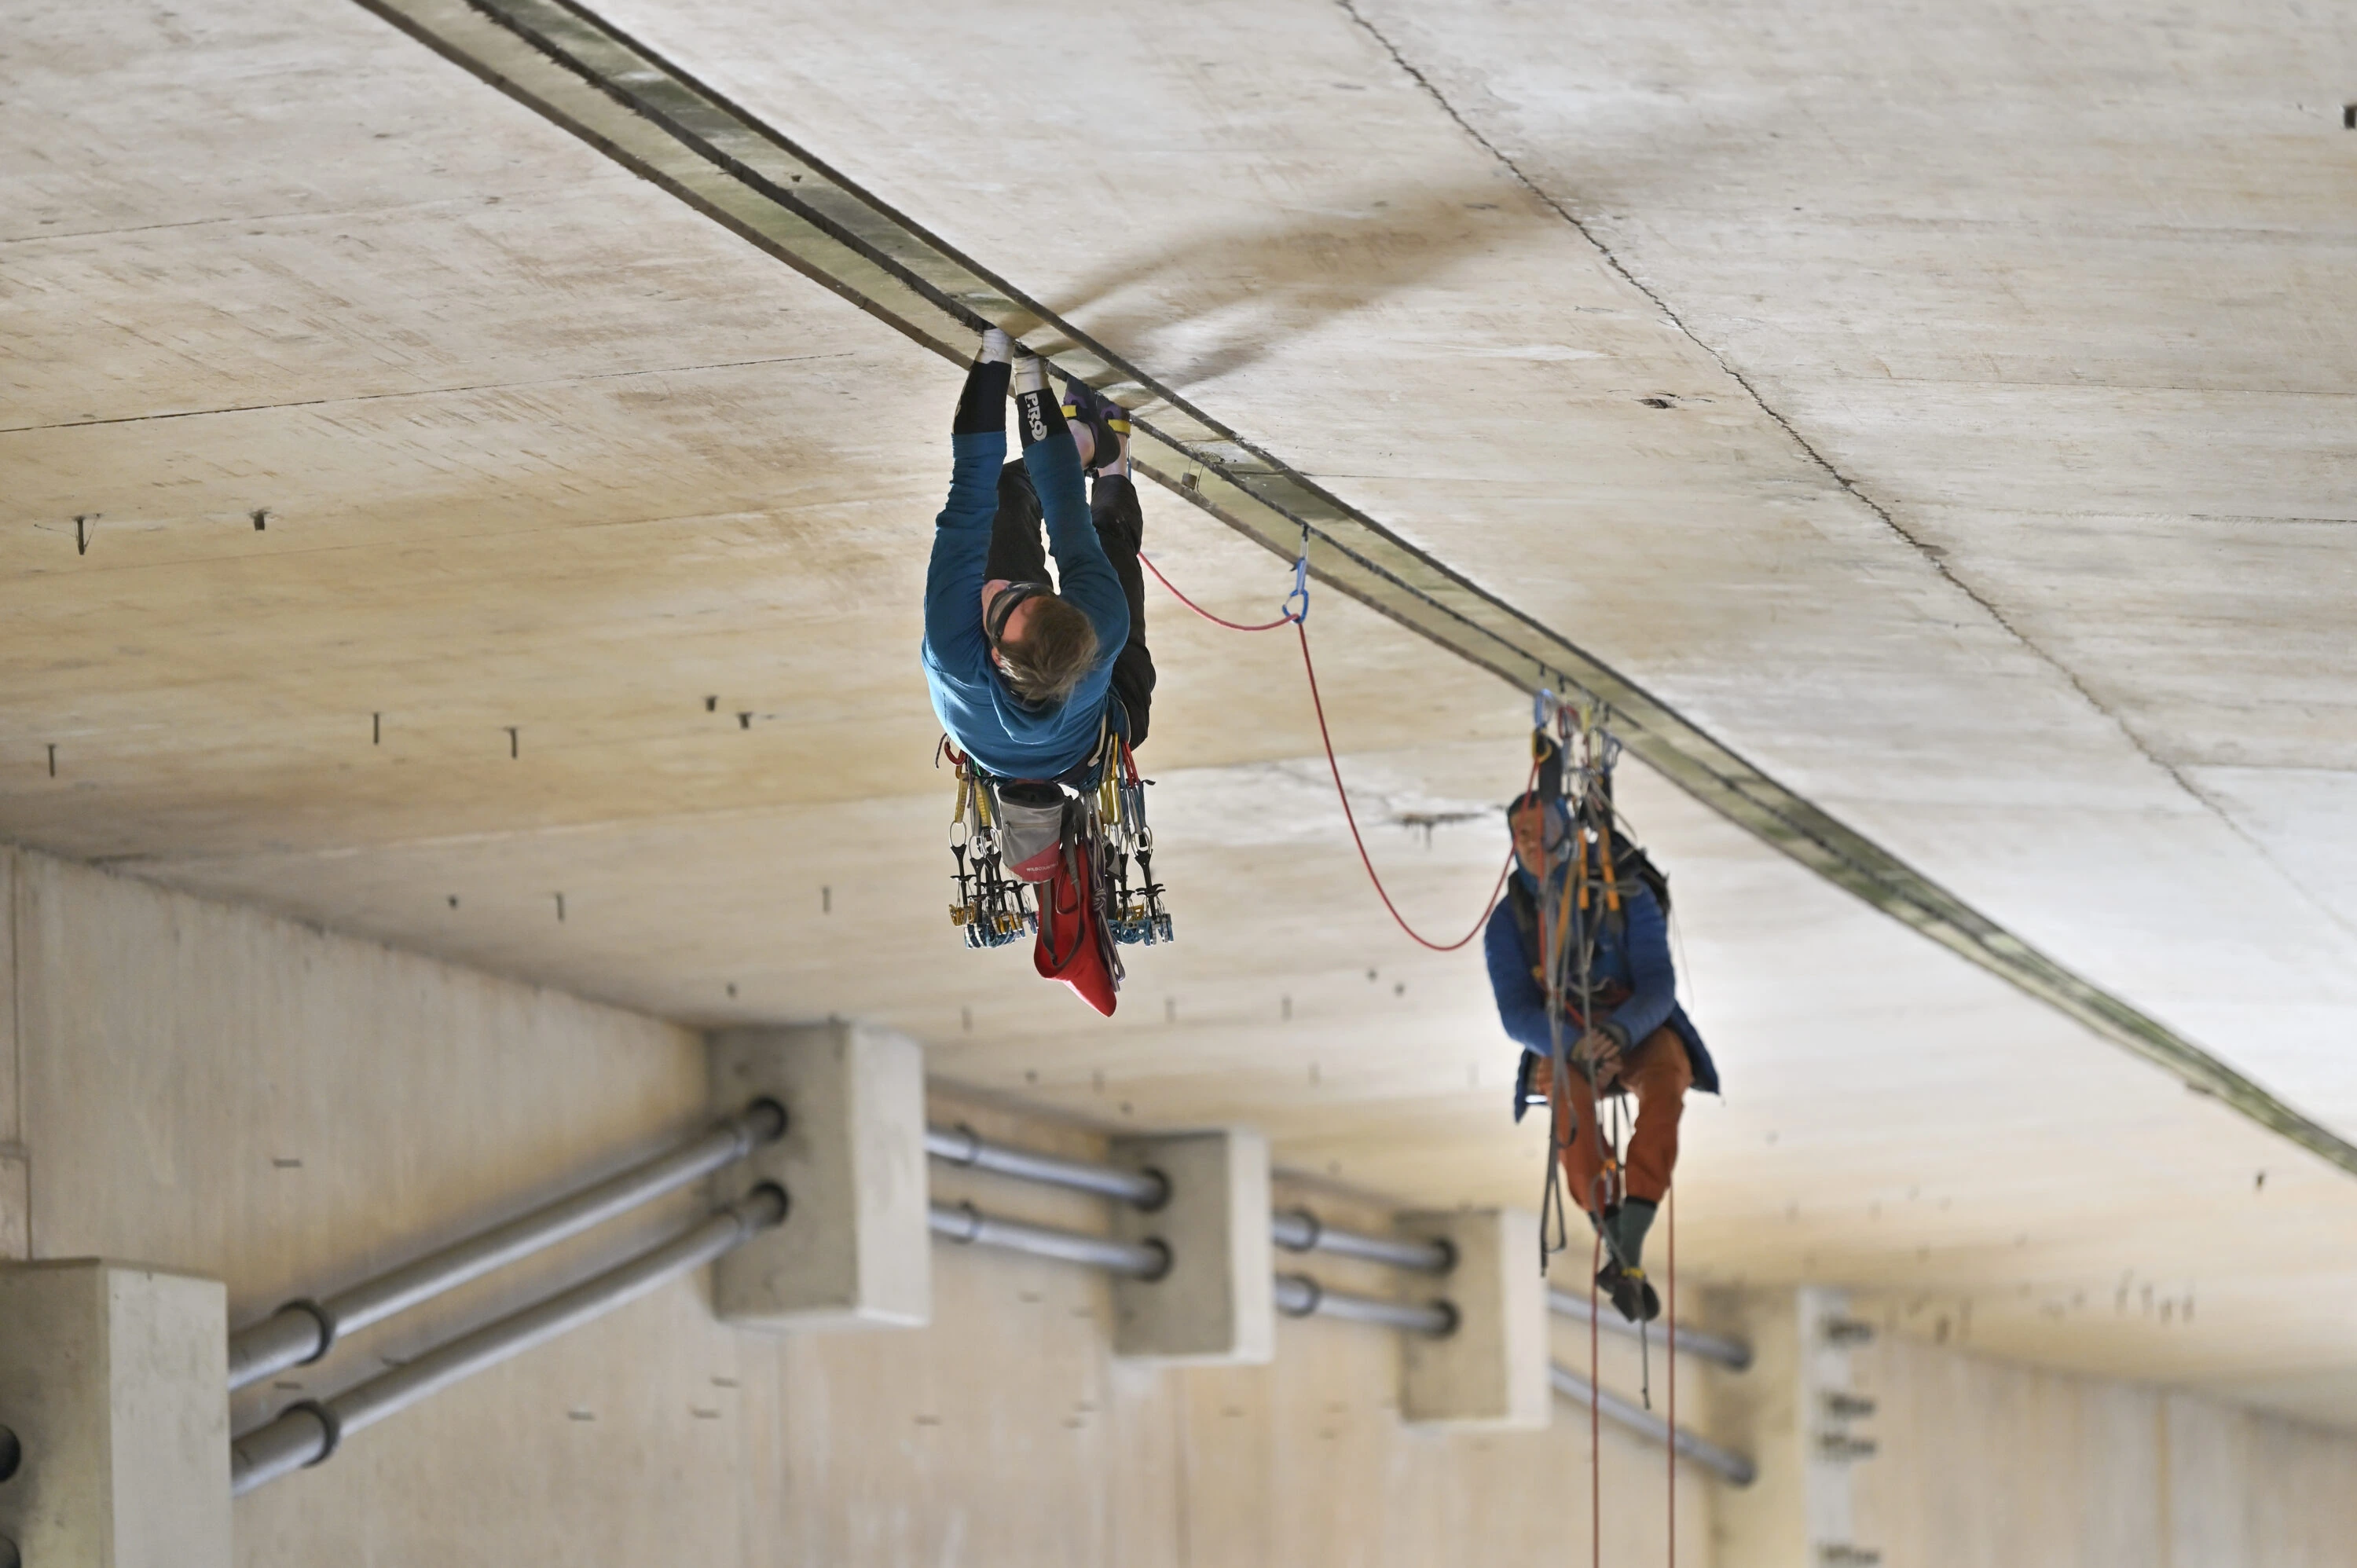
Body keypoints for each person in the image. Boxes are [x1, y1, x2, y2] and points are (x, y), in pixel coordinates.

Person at [1483, 774, 1718, 1321]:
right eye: (1520, 836)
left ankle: (1629, 1234)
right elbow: (1516, 1014)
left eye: (1540, 834)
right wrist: (1574, 1045)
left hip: (1633, 1028)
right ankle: (1616, 1239)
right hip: (1566, 1038)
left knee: (1666, 1080)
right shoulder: (1507, 923)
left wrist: (1617, 1035)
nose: (1530, 848)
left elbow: (1659, 985)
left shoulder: (1626, 896)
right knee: (1566, 1098)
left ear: (1568, 836)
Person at [922, 328, 1156, 782]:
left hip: (994, 737)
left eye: (1008, 604)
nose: (1004, 586)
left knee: (1001, 491)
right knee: (1107, 539)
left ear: (994, 654)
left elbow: (969, 483)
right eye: (1032, 595)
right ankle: (1110, 463)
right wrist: (1034, 373)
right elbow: (1068, 510)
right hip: (1091, 742)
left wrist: (998, 352)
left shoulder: (954, 641)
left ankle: (1083, 443)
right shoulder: (1103, 625)